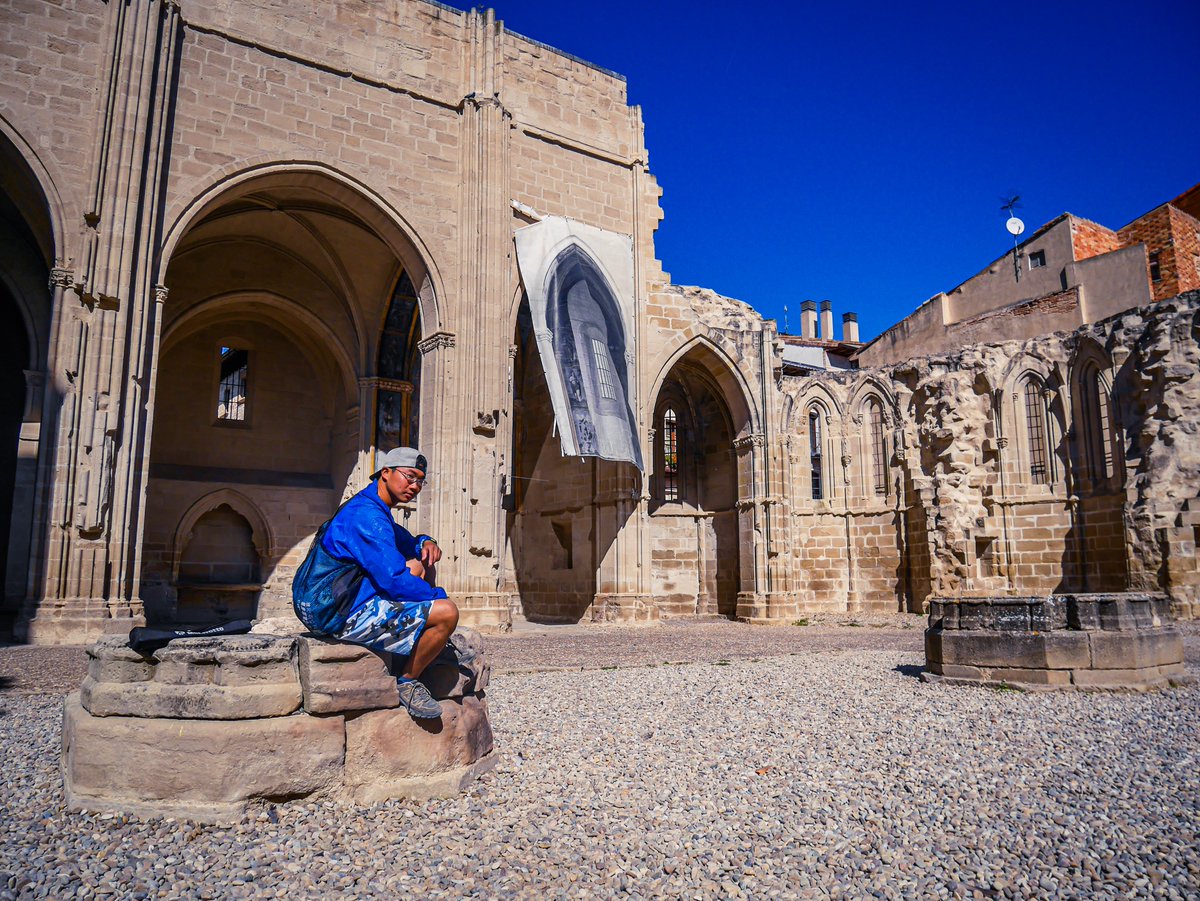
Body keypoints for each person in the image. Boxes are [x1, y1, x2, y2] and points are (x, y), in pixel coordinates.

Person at [319, 447, 458, 718]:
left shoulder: (374, 507)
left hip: (349, 596)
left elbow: (409, 542)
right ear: (386, 473)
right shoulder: (367, 516)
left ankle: (426, 641)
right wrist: (439, 597)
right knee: (447, 613)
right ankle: (407, 681)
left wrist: (425, 541)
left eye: (420, 480)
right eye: (409, 476)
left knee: (422, 560)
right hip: (338, 612)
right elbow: (394, 581)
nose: (415, 486)